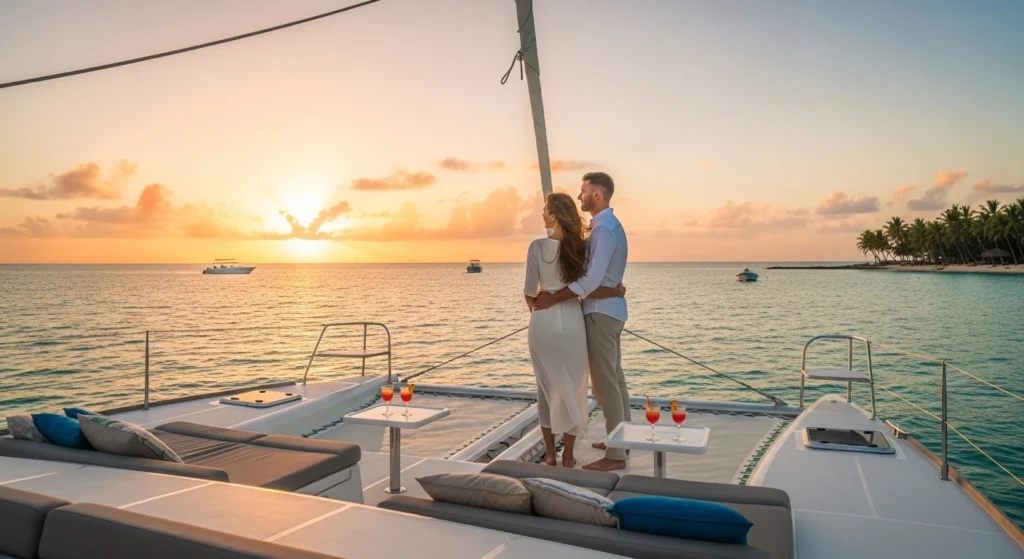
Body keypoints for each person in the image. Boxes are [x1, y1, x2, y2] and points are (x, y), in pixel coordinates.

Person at [533, 172, 630, 472]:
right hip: (610, 310)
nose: (579, 197)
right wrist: (614, 289)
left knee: (604, 386)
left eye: (583, 191)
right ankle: (622, 441)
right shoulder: (608, 227)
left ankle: (616, 456)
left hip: (600, 313)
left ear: (597, 195)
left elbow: (589, 280)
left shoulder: (603, 232)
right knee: (615, 379)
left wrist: (554, 297)